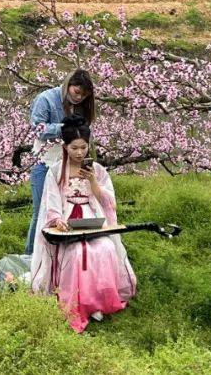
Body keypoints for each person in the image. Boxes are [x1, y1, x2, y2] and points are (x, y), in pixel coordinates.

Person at [30, 115, 136, 333]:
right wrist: (57, 220)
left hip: (92, 216)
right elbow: (50, 202)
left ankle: (99, 303)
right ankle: (78, 305)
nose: (79, 153)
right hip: (67, 218)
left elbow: (109, 202)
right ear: (65, 146)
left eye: (84, 147)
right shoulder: (56, 171)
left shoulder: (97, 170)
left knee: (105, 249)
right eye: (74, 148)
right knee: (78, 253)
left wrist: (93, 182)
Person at [25, 68, 95, 255]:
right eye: (77, 92)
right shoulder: (46, 99)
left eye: (84, 95)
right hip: (45, 162)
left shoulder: (81, 106)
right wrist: (64, 128)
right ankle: (31, 256)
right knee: (41, 211)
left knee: (66, 210)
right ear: (68, 85)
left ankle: (56, 256)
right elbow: (38, 129)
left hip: (71, 164)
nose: (79, 98)